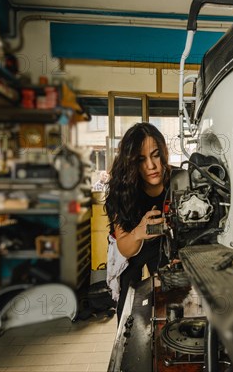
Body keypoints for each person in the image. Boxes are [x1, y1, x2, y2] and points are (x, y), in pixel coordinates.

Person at [104, 123, 171, 322]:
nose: (151, 166)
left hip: (163, 246)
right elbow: (124, 247)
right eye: (141, 160)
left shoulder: (179, 181)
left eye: (156, 155)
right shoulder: (122, 191)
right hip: (132, 249)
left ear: (164, 152)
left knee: (169, 302)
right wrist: (139, 232)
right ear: (132, 162)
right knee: (128, 307)